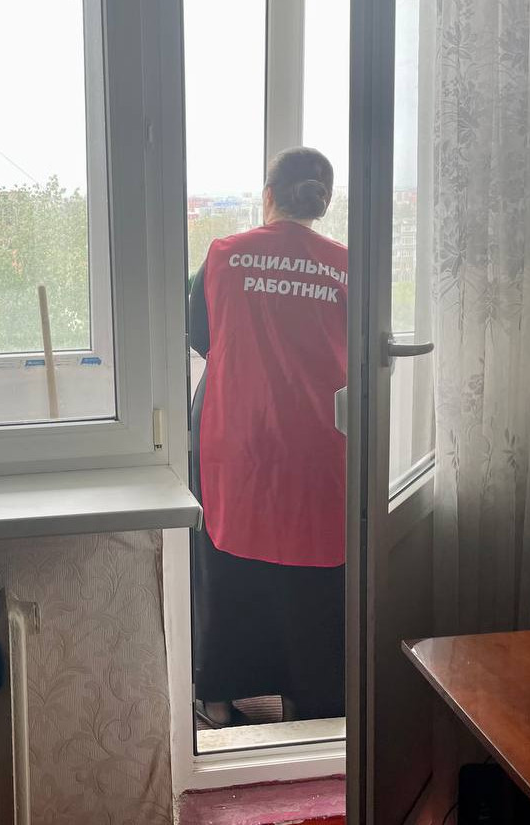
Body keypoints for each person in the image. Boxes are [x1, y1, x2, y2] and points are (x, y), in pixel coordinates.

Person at [190, 146, 348, 726]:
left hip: (239, 441)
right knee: (314, 574)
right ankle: (310, 708)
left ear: (268, 196)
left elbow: (203, 336)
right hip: (319, 443)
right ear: (321, 204)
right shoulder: (347, 265)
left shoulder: (224, 256)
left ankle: (218, 701)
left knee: (229, 565)